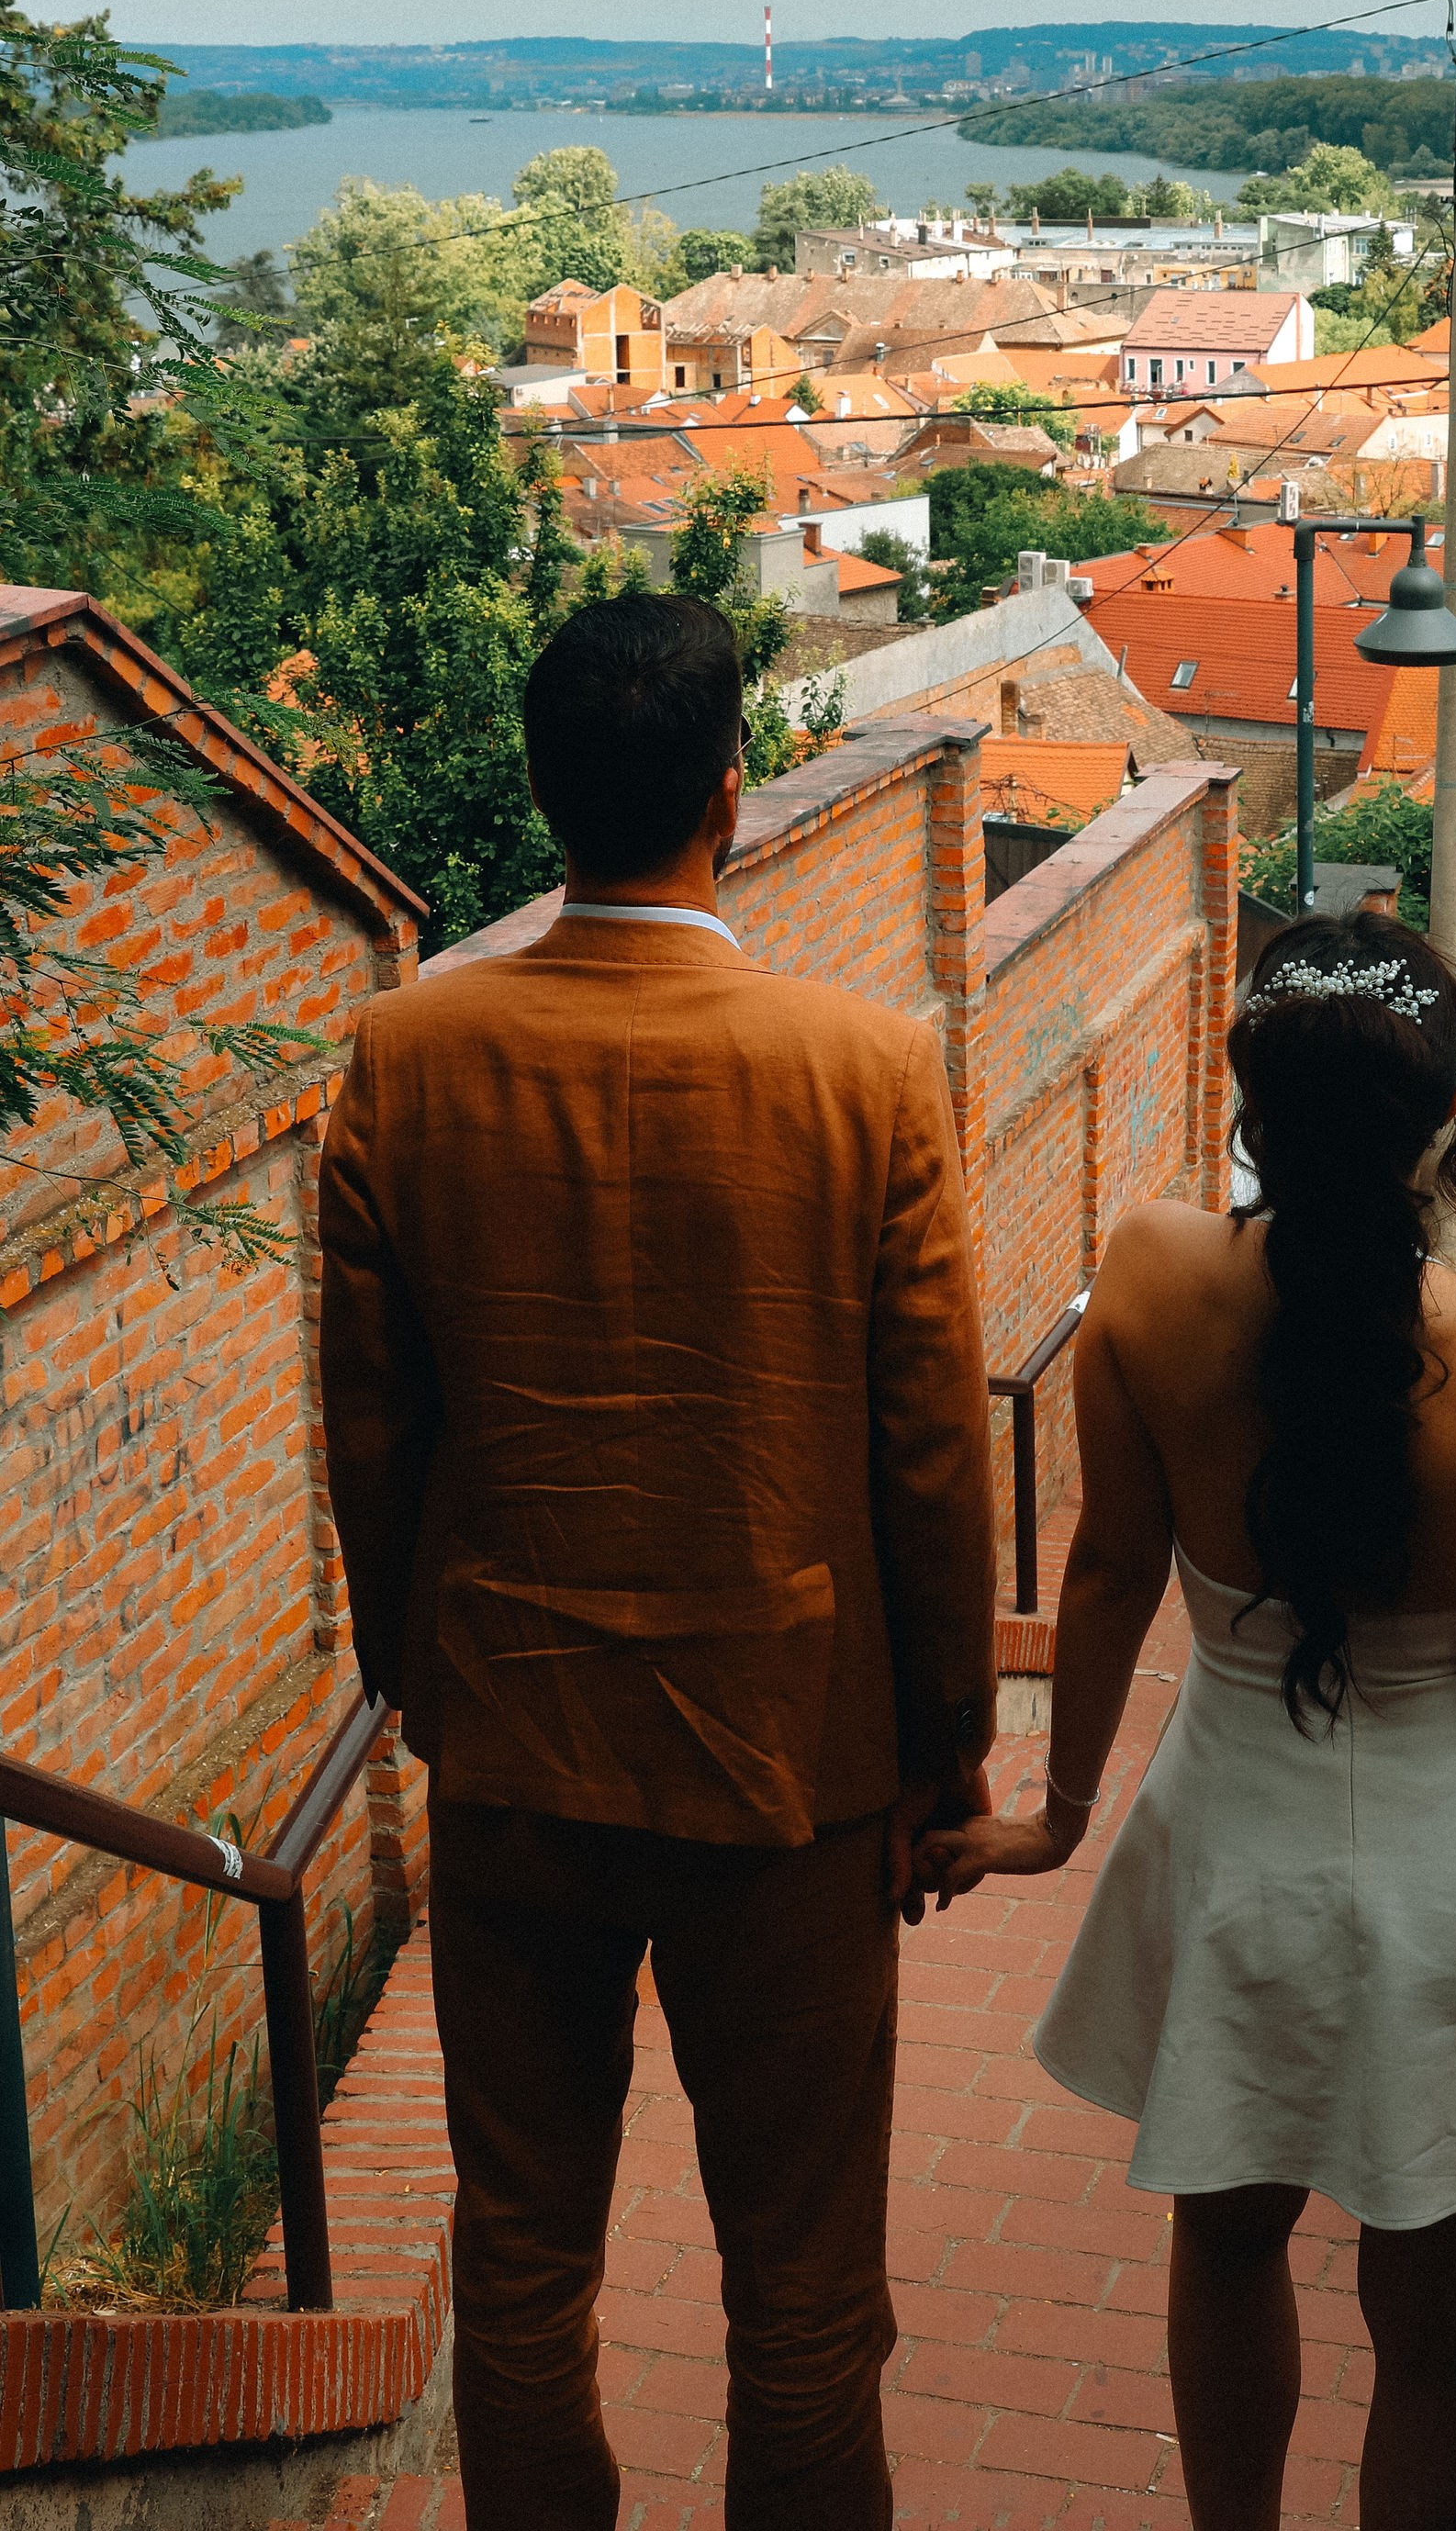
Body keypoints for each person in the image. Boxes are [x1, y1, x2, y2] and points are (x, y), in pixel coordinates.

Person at [919, 913, 1456, 2531]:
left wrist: (1059, 1817)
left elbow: (1108, 1574)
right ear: (1448, 1110)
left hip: (1238, 1846)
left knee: (1228, 2249)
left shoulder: (1147, 1272)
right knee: (1437, 2347)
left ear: (1252, 1102)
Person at [319, 590, 997, 2531]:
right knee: (805, 2283)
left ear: (548, 794)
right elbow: (932, 1453)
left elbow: (373, 1427)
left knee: (524, 2256)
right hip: (790, 1758)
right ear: (731, 795)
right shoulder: (863, 1068)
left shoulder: (408, 1059)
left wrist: (425, 1680)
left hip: (517, 1738)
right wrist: (946, 1746)